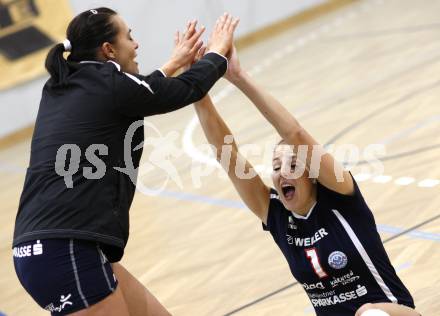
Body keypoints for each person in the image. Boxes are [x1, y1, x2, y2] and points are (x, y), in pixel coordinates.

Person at [12, 7, 239, 316]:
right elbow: (186, 89)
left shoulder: (64, 85)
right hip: (65, 251)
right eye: (129, 37)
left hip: (53, 249)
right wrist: (219, 53)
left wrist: (173, 64)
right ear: (108, 50)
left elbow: (136, 94)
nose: (136, 45)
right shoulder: (109, 84)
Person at [193, 46, 420, 316]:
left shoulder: (340, 194)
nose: (283, 172)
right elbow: (226, 154)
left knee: (368, 314)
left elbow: (295, 133)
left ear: (312, 174)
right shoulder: (276, 214)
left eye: (293, 164)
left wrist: (240, 77)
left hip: (391, 312)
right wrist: (196, 85)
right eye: (276, 166)